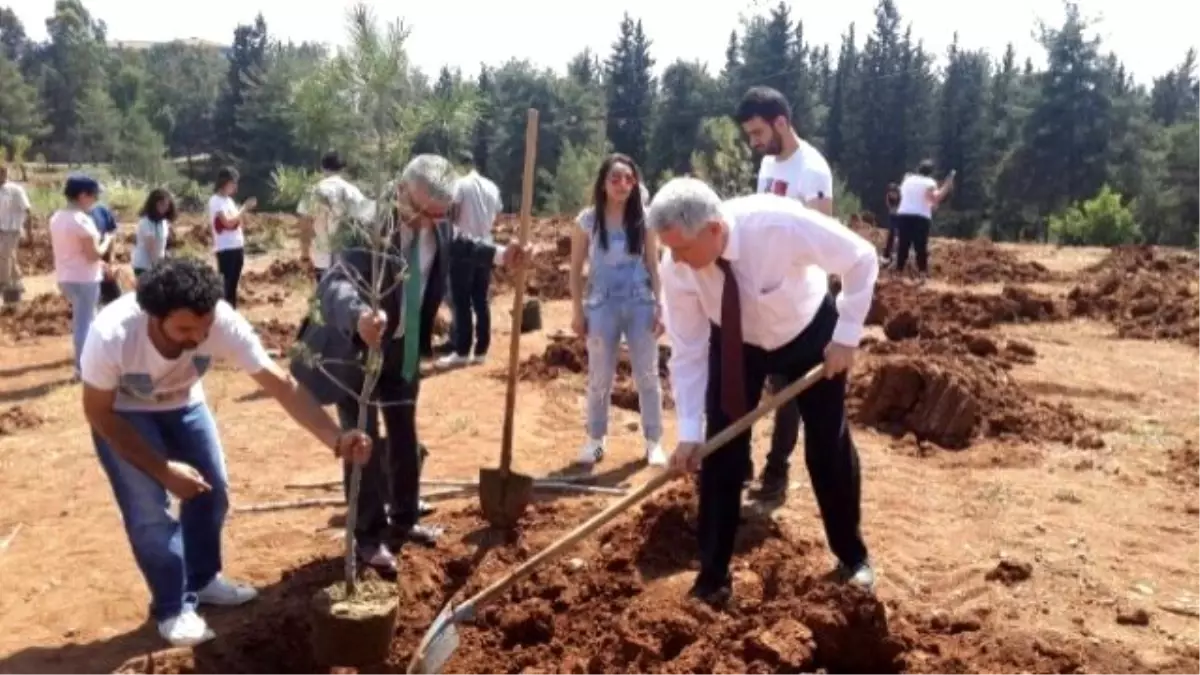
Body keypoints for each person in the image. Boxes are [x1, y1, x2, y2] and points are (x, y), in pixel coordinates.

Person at [80, 257, 372, 647]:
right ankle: (172, 607)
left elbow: (281, 385)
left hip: (184, 404)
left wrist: (336, 438)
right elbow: (97, 412)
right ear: (153, 315)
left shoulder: (219, 322)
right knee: (150, 513)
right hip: (123, 414)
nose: (198, 338)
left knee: (212, 490)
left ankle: (202, 580)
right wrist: (164, 470)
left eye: (203, 328)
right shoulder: (112, 334)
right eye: (184, 329)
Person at [291, 155, 529, 576]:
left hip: (404, 348)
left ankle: (404, 518)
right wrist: (359, 316)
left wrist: (500, 254)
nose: (430, 223)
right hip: (358, 349)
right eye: (425, 213)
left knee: (403, 434)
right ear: (402, 192)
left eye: (440, 214)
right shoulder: (364, 224)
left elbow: (458, 242)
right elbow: (337, 282)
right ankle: (366, 536)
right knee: (362, 440)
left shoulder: (436, 219)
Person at [650, 177, 878, 605]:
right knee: (721, 452)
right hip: (735, 344)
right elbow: (689, 350)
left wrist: (846, 336)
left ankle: (853, 557)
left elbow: (861, 258)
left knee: (827, 448)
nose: (675, 261)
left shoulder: (778, 223)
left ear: (714, 229)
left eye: (682, 248)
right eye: (669, 249)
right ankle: (713, 578)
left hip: (809, 335)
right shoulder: (675, 265)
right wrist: (688, 431)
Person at [735, 85, 835, 504]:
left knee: (788, 393)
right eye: (750, 136)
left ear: (781, 122)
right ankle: (738, 468)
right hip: (761, 300)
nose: (754, 143)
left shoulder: (812, 169)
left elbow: (822, 239)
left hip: (798, 307)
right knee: (743, 386)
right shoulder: (770, 164)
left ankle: (777, 472)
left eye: (758, 133)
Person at [568, 154, 666, 468]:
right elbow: (575, 270)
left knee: (647, 374)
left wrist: (660, 306)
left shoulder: (646, 219)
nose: (623, 184)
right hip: (601, 305)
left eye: (628, 178)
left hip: (640, 302)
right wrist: (577, 311)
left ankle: (654, 442)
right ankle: (596, 440)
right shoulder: (587, 221)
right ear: (603, 183)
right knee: (599, 376)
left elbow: (653, 263)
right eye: (616, 178)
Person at [435, 162, 503, 369]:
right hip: (486, 246)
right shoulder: (492, 186)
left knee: (461, 300)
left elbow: (452, 211)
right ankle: (481, 350)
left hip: (463, 245)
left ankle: (462, 351)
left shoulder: (460, 184)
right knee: (481, 299)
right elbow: (498, 211)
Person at [49, 175, 113, 375]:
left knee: (87, 319)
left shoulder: (57, 217)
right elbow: (93, 254)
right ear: (83, 195)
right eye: (93, 195)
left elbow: (74, 250)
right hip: (85, 278)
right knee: (85, 322)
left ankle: (92, 361)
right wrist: (106, 241)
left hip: (66, 276)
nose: (95, 200)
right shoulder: (82, 220)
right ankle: (83, 367)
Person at [297, 151, 367, 281]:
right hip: (349, 261)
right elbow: (365, 225)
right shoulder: (353, 192)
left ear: (322, 168)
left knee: (326, 298)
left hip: (321, 260)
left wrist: (305, 255)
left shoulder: (313, 191)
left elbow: (305, 227)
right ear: (343, 169)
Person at [894, 160, 954, 282]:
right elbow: (934, 198)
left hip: (903, 214)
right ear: (931, 172)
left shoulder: (907, 180)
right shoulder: (929, 182)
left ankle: (898, 272)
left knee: (903, 245)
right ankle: (922, 274)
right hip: (920, 217)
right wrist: (947, 186)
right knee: (920, 246)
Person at [207, 167, 256, 307]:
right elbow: (228, 223)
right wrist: (244, 208)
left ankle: (232, 311)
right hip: (225, 248)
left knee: (233, 284)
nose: (235, 186)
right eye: (233, 183)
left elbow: (237, 221)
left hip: (236, 246)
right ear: (224, 182)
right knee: (225, 285)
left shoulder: (229, 201)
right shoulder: (215, 201)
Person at [0, 164, 32, 307]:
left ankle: (3, 284)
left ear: (5, 174)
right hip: (1, 228)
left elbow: (27, 210)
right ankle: (16, 285)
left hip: (12, 229)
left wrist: (30, 232)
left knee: (4, 256)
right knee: (9, 257)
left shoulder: (15, 190)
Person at [133, 188, 176, 279]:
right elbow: (150, 247)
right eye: (161, 204)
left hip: (157, 264)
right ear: (153, 204)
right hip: (144, 266)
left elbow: (163, 245)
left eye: (166, 205)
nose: (164, 207)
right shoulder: (146, 222)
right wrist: (158, 267)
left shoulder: (163, 222)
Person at [91, 202, 123, 305]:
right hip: (88, 267)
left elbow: (111, 234)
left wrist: (111, 260)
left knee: (115, 300)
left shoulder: (102, 210)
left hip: (105, 264)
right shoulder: (77, 217)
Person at [881, 182, 901, 265]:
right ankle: (887, 255)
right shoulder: (888, 197)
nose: (892, 194)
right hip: (893, 216)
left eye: (894, 193)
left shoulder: (901, 198)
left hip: (901, 217)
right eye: (891, 193)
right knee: (891, 234)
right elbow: (889, 205)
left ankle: (899, 254)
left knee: (900, 235)